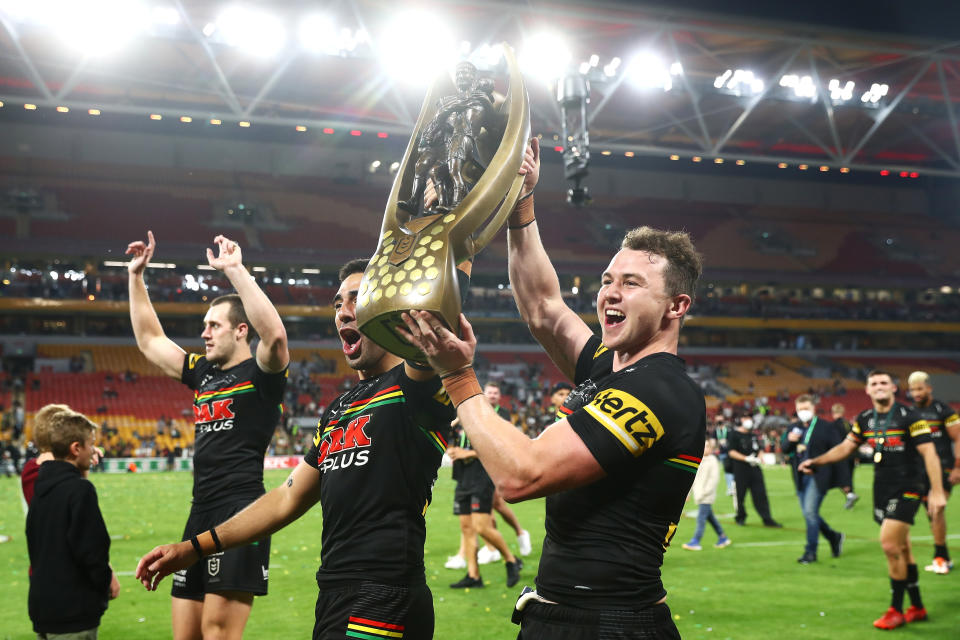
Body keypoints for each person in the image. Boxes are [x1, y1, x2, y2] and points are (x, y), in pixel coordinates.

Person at [399, 137, 707, 639]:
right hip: (566, 614)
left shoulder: (660, 390)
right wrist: (522, 204)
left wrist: (458, 378)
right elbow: (543, 306)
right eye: (607, 279)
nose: (609, 292)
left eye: (631, 284)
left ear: (676, 306)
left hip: (608, 624)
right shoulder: (611, 368)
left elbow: (522, 476)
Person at [135, 258, 460, 640]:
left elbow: (440, 318)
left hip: (385, 593)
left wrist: (448, 244)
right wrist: (195, 547)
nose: (343, 312)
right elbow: (287, 498)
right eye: (338, 303)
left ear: (389, 310)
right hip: (334, 593)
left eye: (359, 299)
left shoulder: (413, 385)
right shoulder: (338, 409)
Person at [127, 231, 289, 640]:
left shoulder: (262, 374)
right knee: (185, 635)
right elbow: (149, 341)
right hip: (199, 512)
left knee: (218, 633)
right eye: (203, 326)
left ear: (239, 331)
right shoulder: (204, 373)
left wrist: (235, 270)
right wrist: (136, 277)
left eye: (213, 325)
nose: (204, 333)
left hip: (241, 512)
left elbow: (275, 337)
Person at [799, 370, 946, 630]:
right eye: (874, 383)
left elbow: (929, 453)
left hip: (909, 486)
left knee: (890, 545)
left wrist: (935, 491)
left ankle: (896, 610)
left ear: (893, 388)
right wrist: (816, 461)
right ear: (867, 390)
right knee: (903, 548)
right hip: (882, 488)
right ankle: (918, 606)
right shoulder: (865, 419)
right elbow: (846, 447)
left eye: (884, 383)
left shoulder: (910, 416)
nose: (879, 387)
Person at [27, 409, 120, 638]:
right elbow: (92, 550)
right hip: (74, 613)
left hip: (44, 608)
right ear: (76, 448)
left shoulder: (41, 488)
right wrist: (103, 586)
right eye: (91, 444)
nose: (94, 451)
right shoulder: (79, 491)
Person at [447, 423, 523, 589]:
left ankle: (511, 560)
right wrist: (452, 449)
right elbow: (451, 442)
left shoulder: (479, 419)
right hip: (462, 478)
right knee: (466, 528)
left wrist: (467, 453)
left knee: (481, 527)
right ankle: (473, 576)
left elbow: (496, 450)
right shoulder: (456, 423)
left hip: (481, 479)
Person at [906, 370, 960, 574]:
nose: (916, 393)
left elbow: (959, 438)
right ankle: (944, 556)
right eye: (912, 390)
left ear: (929, 388)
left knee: (935, 510)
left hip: (944, 468)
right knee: (932, 514)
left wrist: (957, 467)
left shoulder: (943, 410)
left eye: (920, 388)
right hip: (920, 471)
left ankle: (939, 559)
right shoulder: (910, 413)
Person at [782, 394, 845, 564]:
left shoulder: (826, 427)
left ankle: (810, 552)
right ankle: (834, 536)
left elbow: (838, 451)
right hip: (800, 476)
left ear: (813, 408)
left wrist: (845, 482)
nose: (803, 412)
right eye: (800, 409)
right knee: (810, 514)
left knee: (810, 513)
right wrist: (789, 441)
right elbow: (785, 450)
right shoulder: (793, 428)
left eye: (806, 408)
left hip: (819, 475)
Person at [727, 414, 782, 528]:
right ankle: (740, 517)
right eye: (746, 418)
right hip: (741, 468)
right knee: (740, 495)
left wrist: (759, 457)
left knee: (760, 494)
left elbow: (759, 449)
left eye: (749, 418)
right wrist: (746, 458)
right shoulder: (734, 434)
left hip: (755, 468)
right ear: (740, 420)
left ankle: (767, 518)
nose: (749, 421)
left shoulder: (753, 435)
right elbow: (731, 452)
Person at [682, 439, 731, 551]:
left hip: (706, 496)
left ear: (711, 448)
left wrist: (705, 493)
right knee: (710, 518)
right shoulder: (698, 460)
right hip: (699, 495)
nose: (705, 448)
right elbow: (692, 479)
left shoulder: (712, 461)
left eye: (707, 446)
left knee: (701, 519)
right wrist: (688, 493)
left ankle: (696, 541)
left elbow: (713, 479)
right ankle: (723, 537)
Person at [830, 403, 859, 509]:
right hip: (852, 455)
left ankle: (850, 495)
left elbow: (833, 442)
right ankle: (850, 497)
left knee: (838, 477)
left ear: (833, 413)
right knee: (849, 477)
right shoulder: (848, 424)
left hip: (841, 455)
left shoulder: (833, 426)